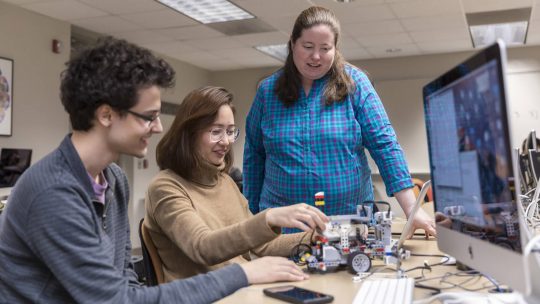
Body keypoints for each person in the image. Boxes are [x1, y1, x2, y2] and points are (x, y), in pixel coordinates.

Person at [0, 37, 309, 304]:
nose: (159, 127)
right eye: (148, 117)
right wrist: (243, 273)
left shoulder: (114, 179)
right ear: (106, 114)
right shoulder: (52, 192)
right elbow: (117, 300)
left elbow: (126, 283)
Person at [243, 6, 436, 236]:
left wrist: (412, 210)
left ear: (335, 48)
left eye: (325, 48)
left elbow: (384, 145)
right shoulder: (267, 91)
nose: (316, 56)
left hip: (347, 223)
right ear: (292, 43)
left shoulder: (356, 83)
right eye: (307, 46)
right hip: (284, 228)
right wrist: (252, 219)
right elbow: (254, 155)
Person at [144, 86, 328, 281]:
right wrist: (269, 217)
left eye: (230, 131)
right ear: (188, 134)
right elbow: (203, 247)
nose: (226, 141)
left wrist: (315, 237)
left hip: (241, 288)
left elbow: (262, 245)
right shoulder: (165, 187)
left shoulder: (225, 182)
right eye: (216, 132)